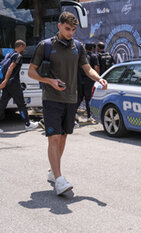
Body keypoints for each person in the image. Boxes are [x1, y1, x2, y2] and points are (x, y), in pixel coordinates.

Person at [28, 12, 108, 195]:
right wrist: (49, 81)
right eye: (67, 29)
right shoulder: (45, 46)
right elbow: (32, 72)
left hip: (71, 99)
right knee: (54, 137)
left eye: (73, 30)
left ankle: (52, 172)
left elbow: (87, 69)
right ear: (59, 25)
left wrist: (99, 79)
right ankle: (59, 179)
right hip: (52, 98)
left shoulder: (78, 47)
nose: (71, 33)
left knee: (63, 137)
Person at [0, 40, 38, 132]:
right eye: (24, 47)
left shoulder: (9, 54)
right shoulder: (18, 56)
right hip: (13, 84)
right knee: (21, 104)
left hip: (8, 84)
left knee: (2, 105)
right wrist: (5, 80)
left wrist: (5, 81)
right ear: (20, 46)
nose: (25, 49)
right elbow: (11, 67)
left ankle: (27, 122)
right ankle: (27, 124)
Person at [77, 43, 100, 122]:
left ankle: (73, 114)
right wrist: (97, 78)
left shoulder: (80, 56)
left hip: (80, 79)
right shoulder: (93, 56)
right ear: (93, 48)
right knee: (88, 98)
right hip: (89, 80)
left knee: (79, 97)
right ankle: (89, 116)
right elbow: (96, 68)